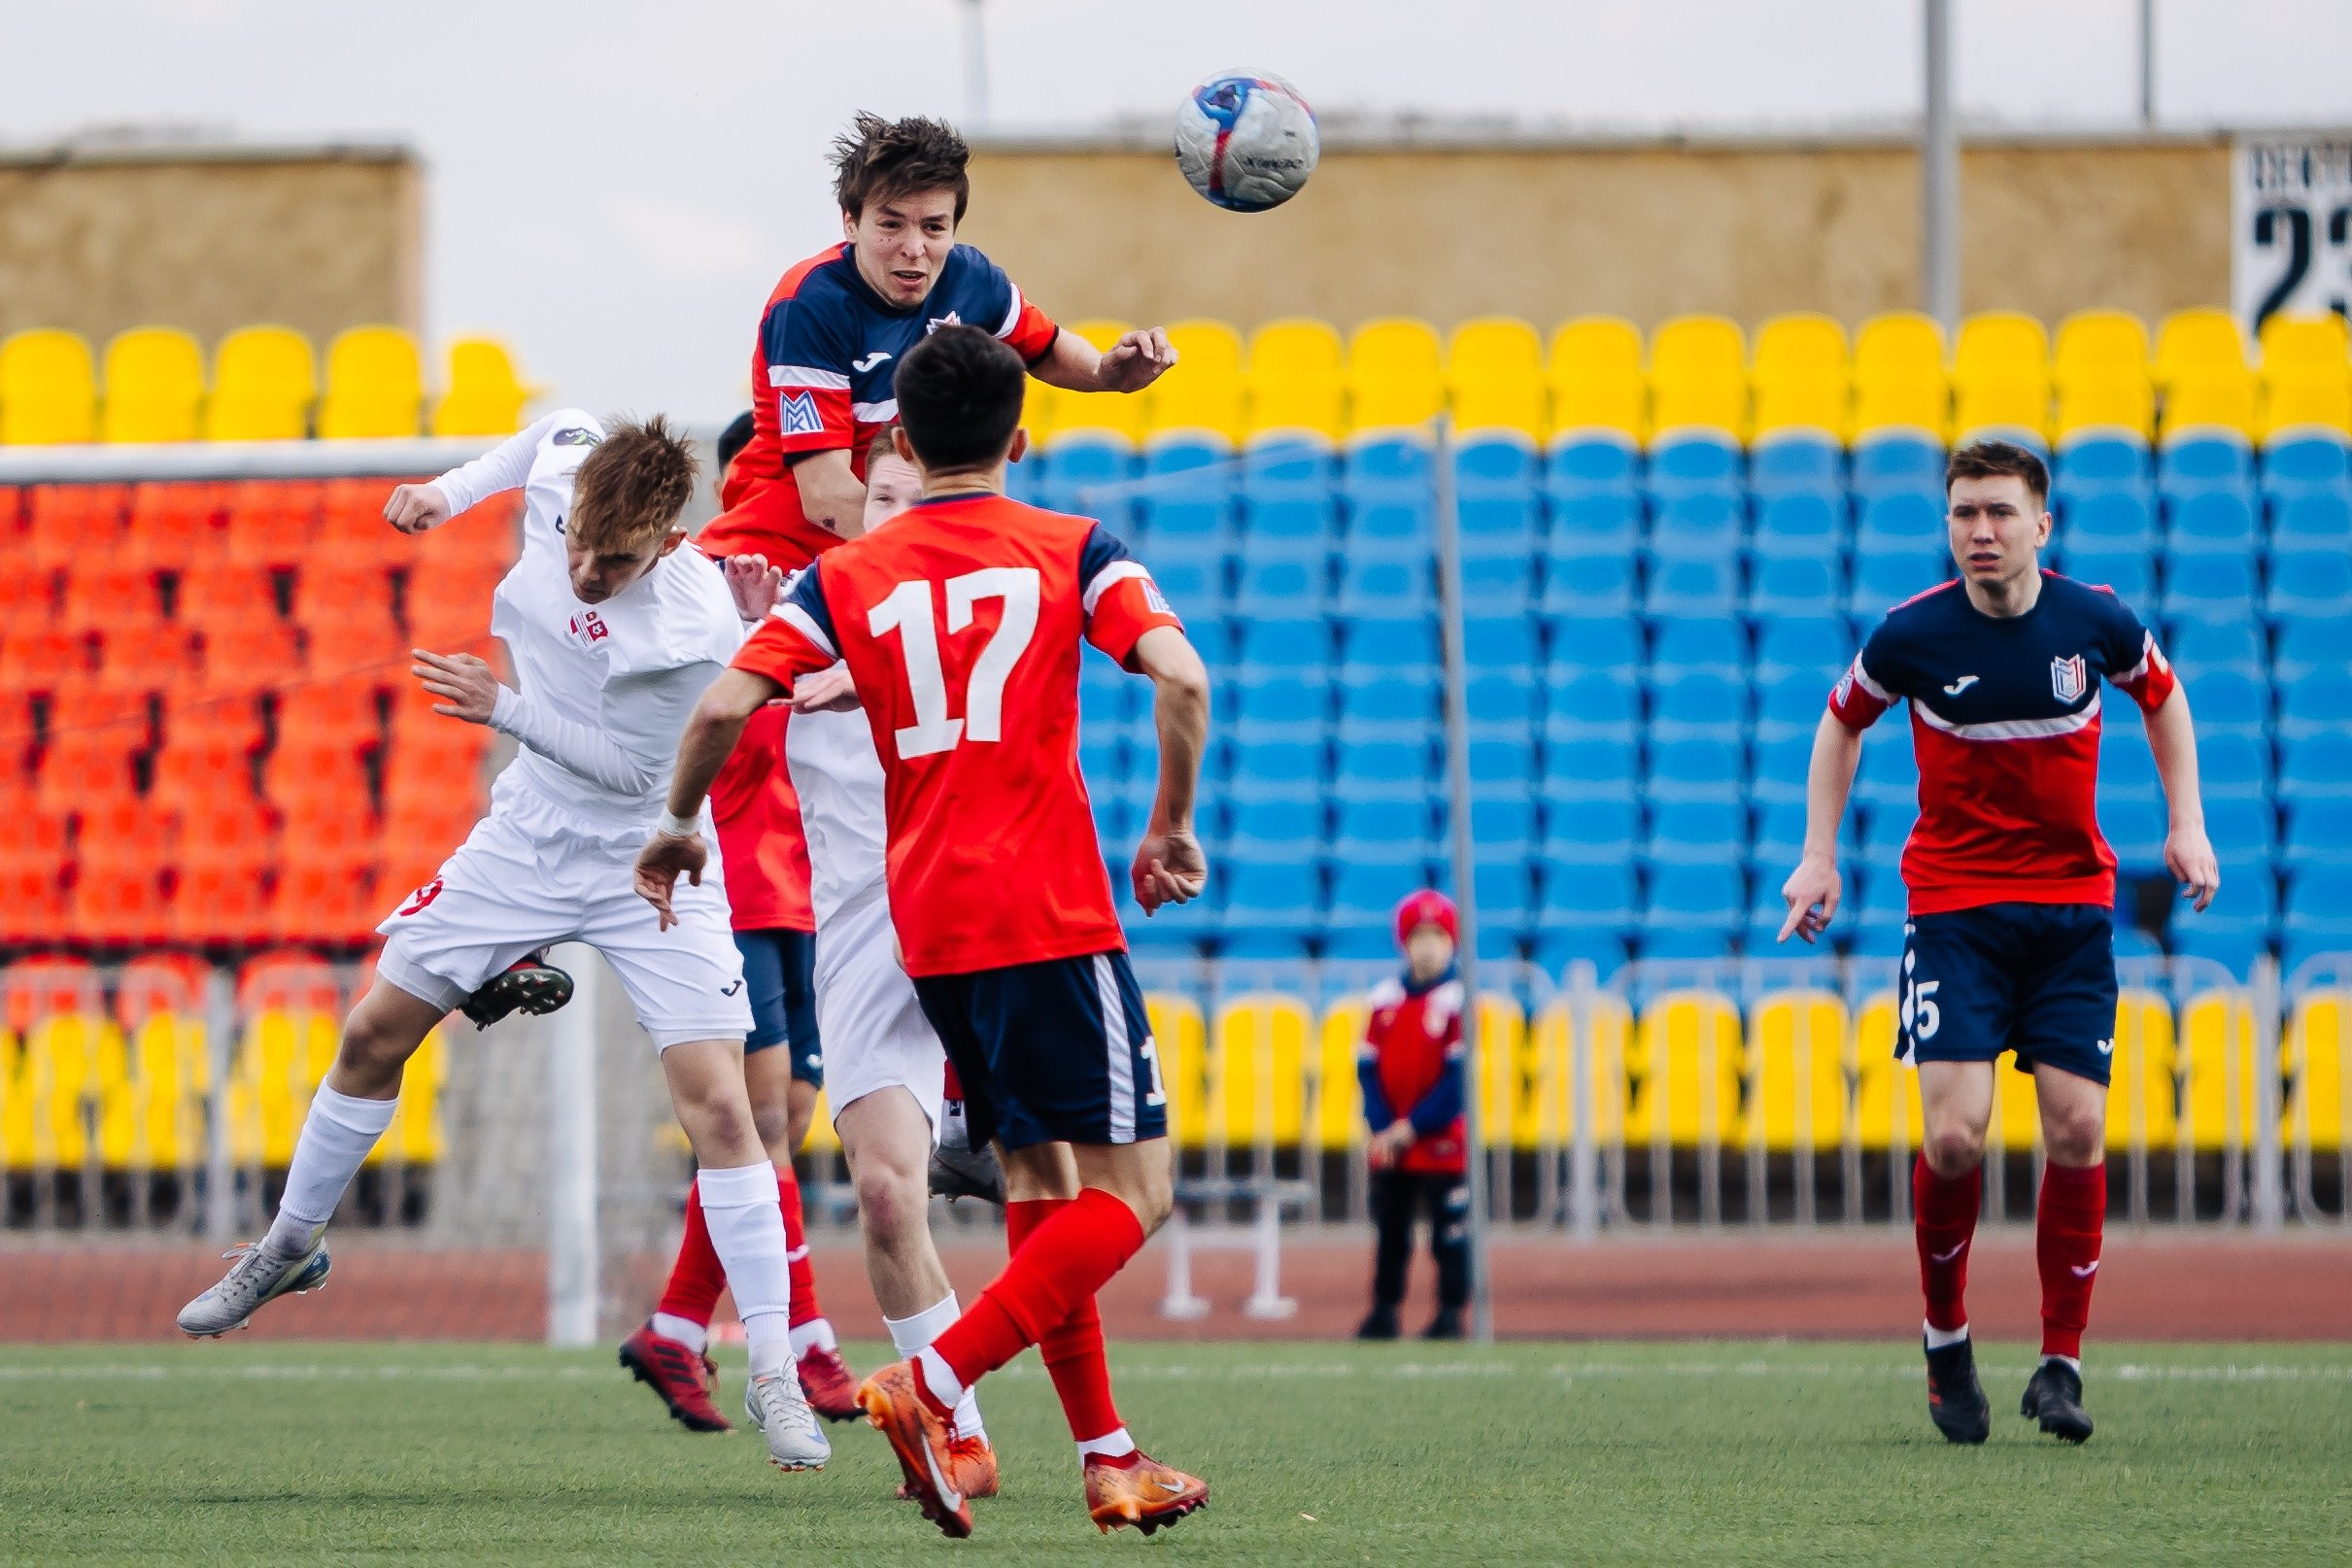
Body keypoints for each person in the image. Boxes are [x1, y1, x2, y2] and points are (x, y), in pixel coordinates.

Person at [175, 411, 835, 1476]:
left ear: (667, 545)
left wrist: (506, 709)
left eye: (612, 559)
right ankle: (287, 1248)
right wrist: (446, 491)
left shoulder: (693, 628)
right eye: (575, 540)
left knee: (721, 1106)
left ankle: (769, 1369)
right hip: (526, 835)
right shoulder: (572, 478)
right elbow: (540, 437)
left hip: (645, 857)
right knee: (372, 1035)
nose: (581, 568)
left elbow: (634, 779)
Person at [635, 326, 1212, 1540]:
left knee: (1043, 1183)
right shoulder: (1072, 548)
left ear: (900, 438)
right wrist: (1166, 830)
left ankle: (1107, 1455)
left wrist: (680, 823)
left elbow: (727, 700)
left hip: (928, 922)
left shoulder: (842, 578)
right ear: (1018, 438)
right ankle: (935, 1380)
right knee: (1139, 1191)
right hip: (1047, 910)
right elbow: (1181, 677)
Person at [1777, 439, 2219, 1449]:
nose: (1981, 531)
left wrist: (2185, 822)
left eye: (2000, 514)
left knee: (2076, 1130)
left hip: (2069, 913)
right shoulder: (1911, 637)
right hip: (1956, 912)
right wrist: (1818, 854)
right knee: (1955, 1135)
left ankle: (2059, 1365)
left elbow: (2164, 696)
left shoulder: (2094, 621)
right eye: (1964, 514)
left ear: (2040, 526)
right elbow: (1840, 723)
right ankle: (1946, 1343)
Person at [618, 410, 858, 1431]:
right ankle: (802, 1345)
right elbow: (702, 739)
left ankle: (677, 1327)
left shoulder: (838, 566)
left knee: (786, 1120)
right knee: (759, 1124)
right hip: (739, 880)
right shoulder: (707, 577)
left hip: (804, 883)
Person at [694, 110, 1174, 565]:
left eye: (933, 227)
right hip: (770, 561)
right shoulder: (809, 304)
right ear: (850, 222)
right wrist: (938, 557)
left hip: (880, 553)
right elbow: (825, 495)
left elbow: (1045, 347)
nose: (914, 248)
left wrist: (1105, 373)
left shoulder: (971, 277)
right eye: (890, 223)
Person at [1354, 889, 1470, 1344]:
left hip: (1441, 1141)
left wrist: (1411, 1127)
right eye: (1418, 934)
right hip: (1392, 1143)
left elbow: (1456, 1082)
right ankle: (1384, 1311)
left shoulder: (1459, 1000)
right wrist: (1383, 1127)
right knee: (1391, 1234)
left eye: (1437, 934)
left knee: (1450, 1234)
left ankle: (1450, 1313)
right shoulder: (1384, 999)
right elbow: (1368, 1070)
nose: (1427, 944)